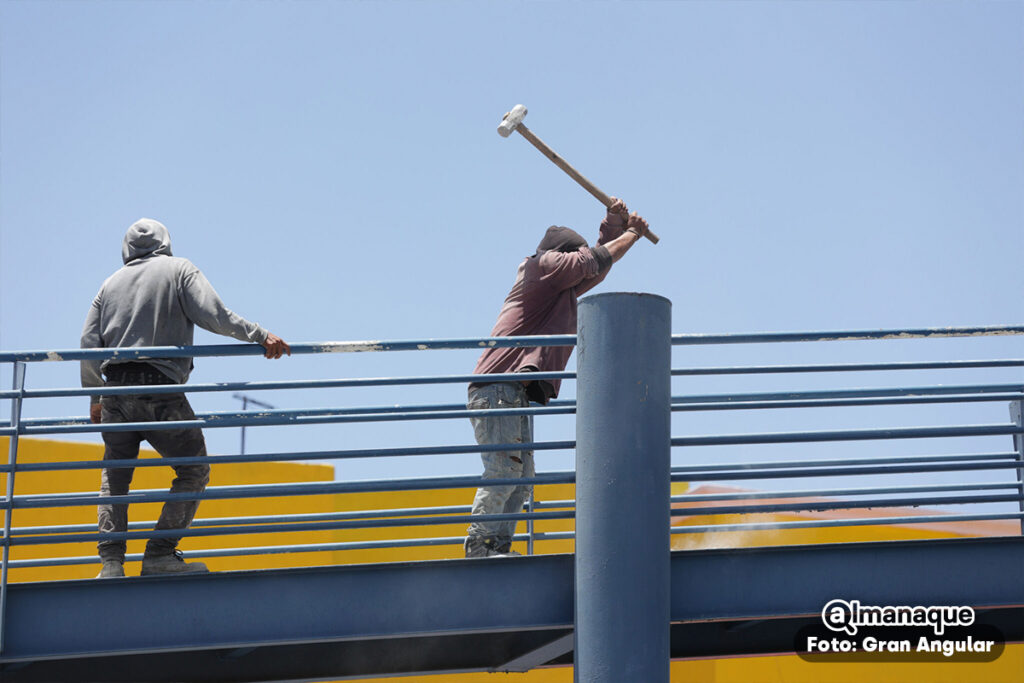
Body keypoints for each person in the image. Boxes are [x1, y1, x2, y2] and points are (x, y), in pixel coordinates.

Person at [81, 218, 290, 578]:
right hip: (161, 388)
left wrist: (95, 397)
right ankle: (159, 555)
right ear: (165, 241)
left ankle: (111, 564)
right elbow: (215, 316)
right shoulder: (179, 270)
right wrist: (260, 335)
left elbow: (88, 344)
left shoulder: (109, 284)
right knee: (194, 469)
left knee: (115, 477)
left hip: (115, 390)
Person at [464, 198, 649, 557]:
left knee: (521, 480)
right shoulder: (541, 265)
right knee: (504, 471)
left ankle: (496, 547)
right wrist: (631, 234)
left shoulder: (558, 289)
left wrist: (613, 225)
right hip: (497, 386)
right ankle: (478, 545)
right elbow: (590, 262)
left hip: (511, 390)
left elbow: (596, 266)